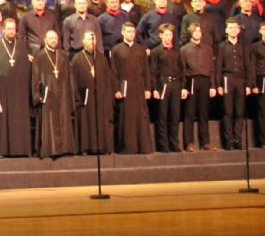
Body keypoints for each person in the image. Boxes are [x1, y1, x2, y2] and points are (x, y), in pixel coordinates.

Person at [0, 17, 32, 158]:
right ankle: (2, 150)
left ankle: (21, 150)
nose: (11, 31)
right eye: (9, 29)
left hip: (19, 89)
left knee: (19, 118)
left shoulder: (22, 46)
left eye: (13, 29)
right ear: (3, 29)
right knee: (3, 119)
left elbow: (27, 69)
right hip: (2, 90)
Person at [31, 28, 75, 158]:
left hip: (62, 95)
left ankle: (65, 148)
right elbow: (35, 77)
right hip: (48, 95)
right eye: (51, 38)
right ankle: (49, 149)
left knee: (63, 119)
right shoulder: (39, 56)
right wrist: (37, 94)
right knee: (48, 123)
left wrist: (71, 95)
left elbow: (70, 77)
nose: (54, 40)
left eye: (55, 38)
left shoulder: (63, 56)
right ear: (45, 40)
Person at [111, 22, 153, 154]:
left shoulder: (141, 50)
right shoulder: (116, 50)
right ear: (123, 33)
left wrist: (148, 89)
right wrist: (116, 89)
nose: (131, 34)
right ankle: (128, 147)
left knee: (141, 116)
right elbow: (114, 72)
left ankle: (143, 146)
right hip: (125, 88)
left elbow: (146, 71)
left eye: (133, 32)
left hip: (139, 88)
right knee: (126, 117)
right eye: (128, 31)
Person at [72, 29, 114, 155]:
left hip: (100, 96)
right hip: (85, 98)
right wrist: (78, 97)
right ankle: (86, 147)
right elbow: (73, 80)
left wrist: (107, 97)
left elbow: (107, 79)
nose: (92, 41)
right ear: (83, 41)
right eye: (89, 39)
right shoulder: (77, 58)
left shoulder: (101, 58)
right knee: (87, 122)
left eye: (93, 39)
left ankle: (102, 147)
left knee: (100, 121)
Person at [180, 23, 217, 151]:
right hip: (191, 81)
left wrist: (213, 86)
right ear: (191, 33)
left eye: (199, 31)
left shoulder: (208, 49)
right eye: (195, 31)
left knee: (203, 113)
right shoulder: (184, 49)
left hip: (205, 81)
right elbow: (182, 70)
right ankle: (189, 142)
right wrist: (183, 87)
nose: (197, 33)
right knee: (189, 113)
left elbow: (212, 68)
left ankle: (205, 142)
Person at [217, 17, 250, 150]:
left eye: (235, 28)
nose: (233, 30)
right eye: (230, 28)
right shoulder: (222, 46)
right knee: (228, 111)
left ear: (239, 30)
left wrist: (248, 84)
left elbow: (248, 66)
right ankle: (229, 140)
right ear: (226, 30)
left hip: (240, 79)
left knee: (240, 111)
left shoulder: (244, 46)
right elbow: (218, 67)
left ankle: (238, 139)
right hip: (227, 79)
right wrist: (218, 85)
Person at [151, 24, 185, 152]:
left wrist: (183, 87)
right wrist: (155, 89)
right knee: (163, 116)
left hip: (175, 85)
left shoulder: (177, 51)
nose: (168, 37)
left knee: (175, 116)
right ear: (160, 35)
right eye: (166, 34)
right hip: (163, 85)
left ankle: (174, 143)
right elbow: (153, 72)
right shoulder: (156, 51)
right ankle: (163, 144)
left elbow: (182, 70)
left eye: (170, 34)